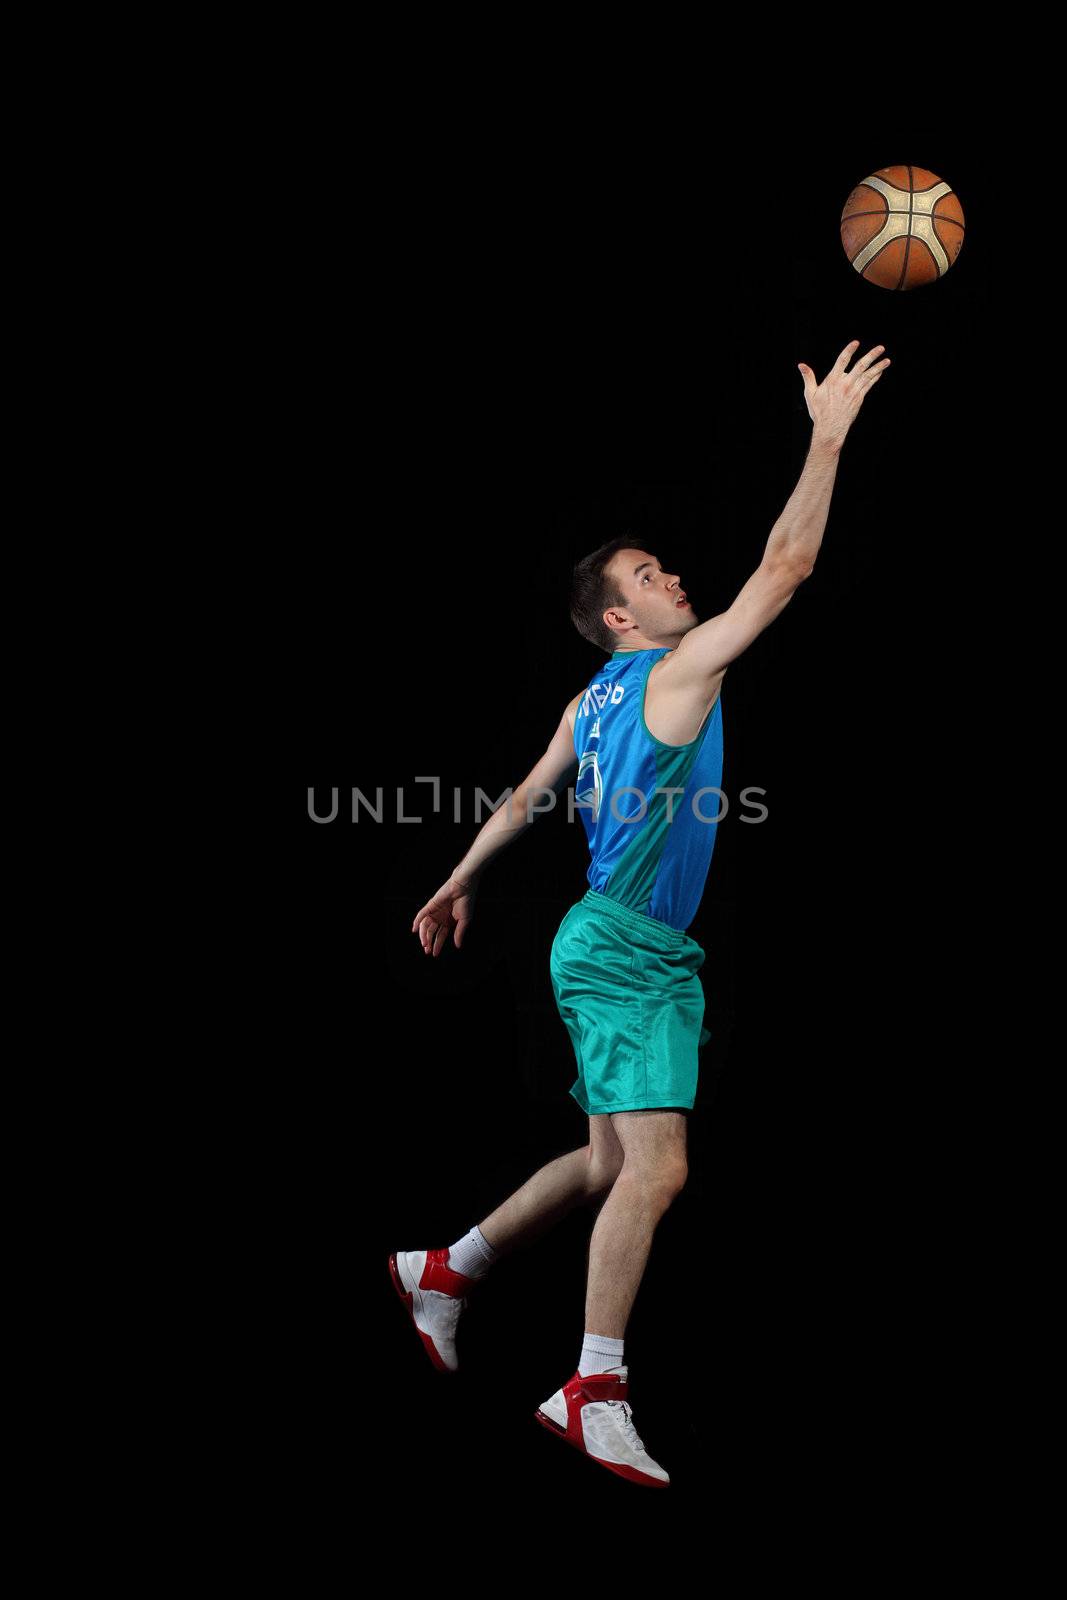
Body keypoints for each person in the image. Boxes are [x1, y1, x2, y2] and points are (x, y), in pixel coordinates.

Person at [390, 340, 891, 1488]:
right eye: (652, 575)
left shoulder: (593, 695)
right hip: (622, 946)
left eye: (665, 568)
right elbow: (787, 566)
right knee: (655, 1170)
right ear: (620, 619)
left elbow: (526, 796)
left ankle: (444, 1267)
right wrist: (825, 437)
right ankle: (591, 1385)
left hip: (609, 941)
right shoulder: (676, 672)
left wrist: (458, 878)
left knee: (606, 1157)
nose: (674, 579)